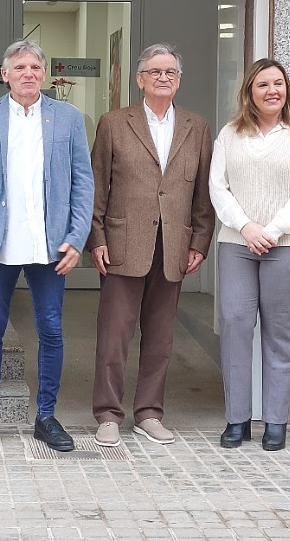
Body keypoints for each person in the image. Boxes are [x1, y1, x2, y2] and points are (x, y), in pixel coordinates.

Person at [0, 40, 94, 452]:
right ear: (5, 75)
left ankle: (46, 417)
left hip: (49, 245)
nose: (28, 74)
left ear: (44, 73)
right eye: (19, 67)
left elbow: (83, 182)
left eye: (35, 67)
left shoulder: (68, 118)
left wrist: (76, 237)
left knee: (51, 328)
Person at [89, 44, 214, 448]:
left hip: (174, 243)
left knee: (160, 337)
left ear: (179, 80)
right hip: (123, 242)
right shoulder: (114, 123)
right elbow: (97, 186)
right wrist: (97, 238)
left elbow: (204, 192)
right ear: (139, 79)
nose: (163, 78)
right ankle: (108, 414)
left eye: (171, 72)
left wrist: (200, 240)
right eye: (155, 72)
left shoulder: (197, 126)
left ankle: (148, 412)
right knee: (114, 335)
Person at [209, 58, 290, 451]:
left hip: (287, 246)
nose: (272, 90)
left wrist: (271, 231)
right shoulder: (230, 134)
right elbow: (218, 187)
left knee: (280, 332)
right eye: (263, 85)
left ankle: (276, 420)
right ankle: (237, 419)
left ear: (287, 90)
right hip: (237, 244)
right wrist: (246, 227)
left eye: (278, 83)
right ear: (249, 92)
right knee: (235, 325)